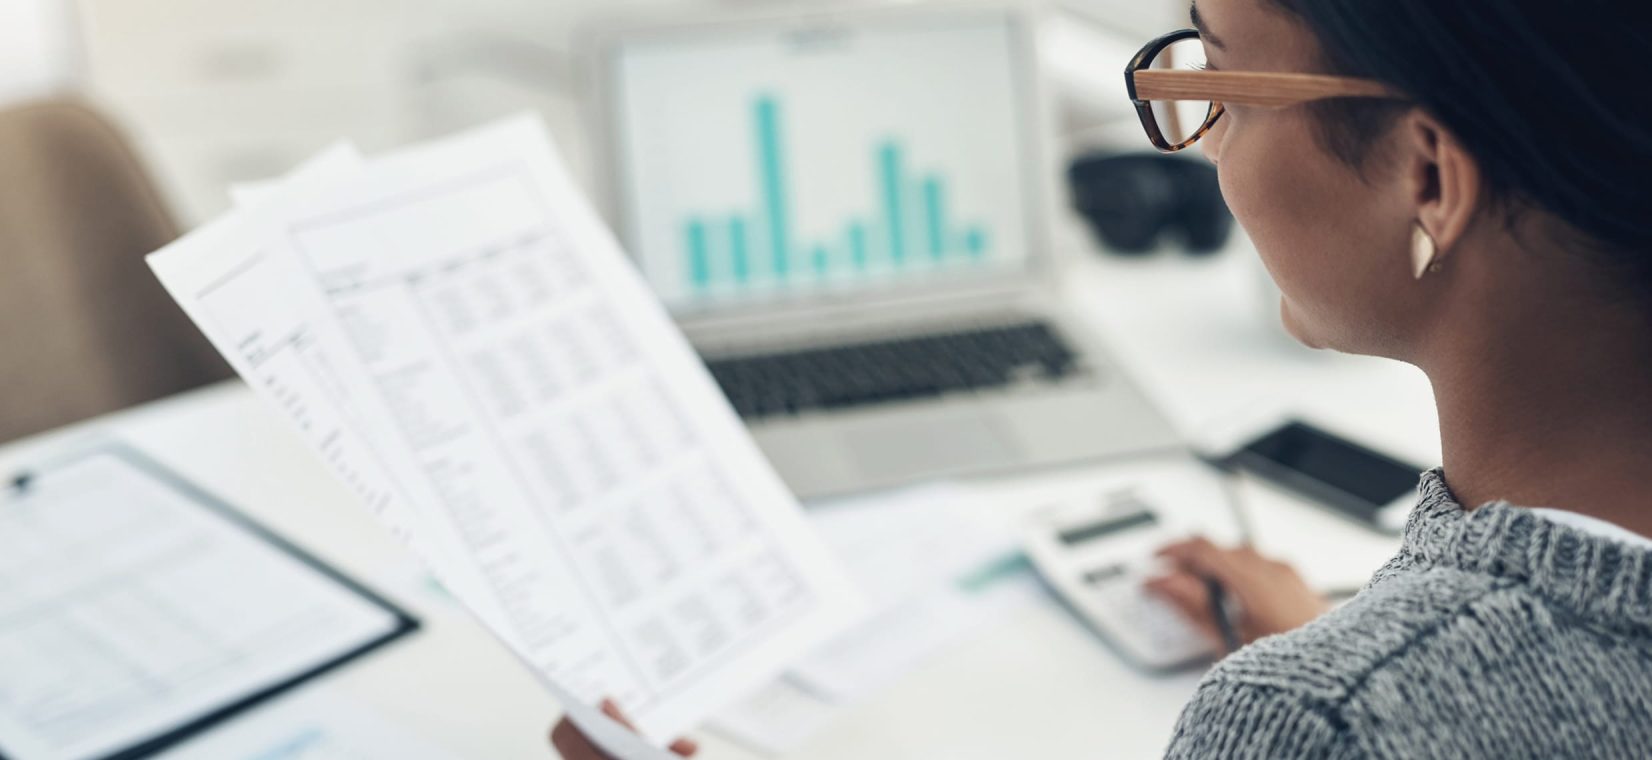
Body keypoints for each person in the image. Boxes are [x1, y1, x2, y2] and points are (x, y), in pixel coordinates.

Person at [554, 0, 1652, 755]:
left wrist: (1359, 688)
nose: (1204, 143)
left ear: (1424, 175)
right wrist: (1358, 648)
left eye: (1220, 79)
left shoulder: (1314, 721)